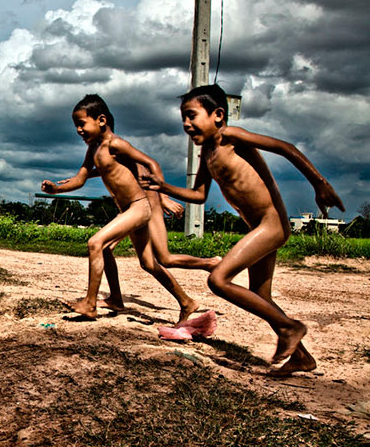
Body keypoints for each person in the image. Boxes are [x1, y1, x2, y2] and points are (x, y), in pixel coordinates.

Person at [141, 84, 343, 375]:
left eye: (192, 116)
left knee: (219, 279)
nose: (186, 124)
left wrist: (320, 184)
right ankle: (301, 356)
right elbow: (198, 195)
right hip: (257, 227)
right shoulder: (207, 154)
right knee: (262, 296)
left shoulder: (231, 137)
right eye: (183, 118)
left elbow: (286, 148)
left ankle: (290, 328)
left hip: (270, 224)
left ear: (219, 115)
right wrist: (163, 187)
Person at [41, 94, 201, 324]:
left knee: (96, 243)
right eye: (75, 125)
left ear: (101, 120)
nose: (78, 130)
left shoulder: (115, 144)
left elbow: (150, 163)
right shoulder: (94, 149)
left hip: (139, 207)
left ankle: (90, 303)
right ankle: (185, 302)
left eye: (82, 124)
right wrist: (56, 189)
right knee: (146, 263)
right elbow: (80, 178)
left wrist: (162, 192)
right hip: (129, 209)